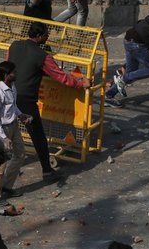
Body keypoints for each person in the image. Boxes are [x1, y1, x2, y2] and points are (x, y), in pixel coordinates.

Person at [8, 22, 90, 181]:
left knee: (5, 133)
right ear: (39, 37)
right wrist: (81, 84)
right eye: (46, 35)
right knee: (38, 136)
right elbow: (61, 77)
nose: (47, 38)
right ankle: (47, 170)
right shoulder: (42, 56)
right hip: (26, 99)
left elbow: (8, 64)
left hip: (7, 95)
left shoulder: (14, 45)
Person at [0, 60, 31, 201]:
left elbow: (12, 106)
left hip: (13, 125)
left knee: (19, 155)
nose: (16, 74)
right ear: (7, 75)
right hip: (3, 130)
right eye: (14, 72)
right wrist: (3, 137)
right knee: (1, 165)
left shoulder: (12, 86)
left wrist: (20, 115)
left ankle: (6, 186)